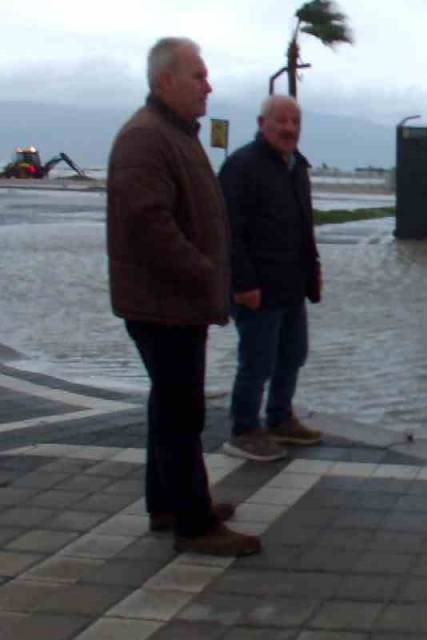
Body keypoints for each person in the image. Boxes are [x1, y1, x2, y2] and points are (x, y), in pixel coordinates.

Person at [106, 37, 259, 556]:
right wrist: (204, 270)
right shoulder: (146, 139)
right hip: (163, 303)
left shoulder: (173, 133)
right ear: (165, 81)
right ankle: (193, 525)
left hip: (174, 301)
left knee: (169, 406)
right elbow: (150, 226)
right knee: (181, 413)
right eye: (198, 76)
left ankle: (168, 503)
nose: (208, 86)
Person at [219, 94, 324, 462]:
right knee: (256, 361)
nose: (289, 128)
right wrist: (242, 284)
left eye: (295, 122)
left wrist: (313, 274)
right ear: (262, 123)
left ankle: (280, 418)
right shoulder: (241, 166)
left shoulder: (296, 167)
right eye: (281, 121)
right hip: (256, 287)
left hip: (291, 285)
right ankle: (244, 429)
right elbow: (228, 232)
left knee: (293, 355)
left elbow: (303, 229)